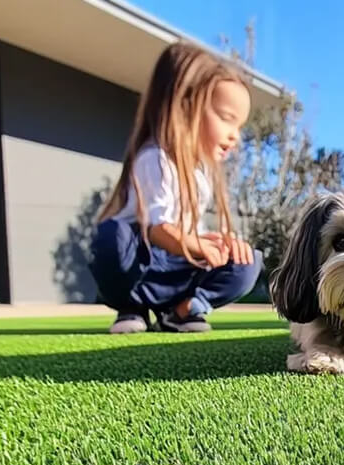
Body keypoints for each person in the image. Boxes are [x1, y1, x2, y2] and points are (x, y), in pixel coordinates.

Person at [90, 42, 261, 333]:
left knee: (249, 260)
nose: (235, 136)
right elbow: (158, 229)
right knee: (111, 236)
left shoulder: (201, 177)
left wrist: (218, 244)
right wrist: (199, 245)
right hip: (140, 268)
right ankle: (132, 308)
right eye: (226, 119)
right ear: (186, 106)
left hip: (175, 269)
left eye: (239, 126)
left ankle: (183, 310)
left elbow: (187, 237)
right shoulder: (155, 158)